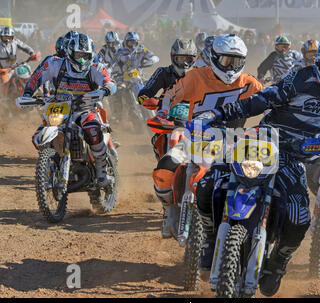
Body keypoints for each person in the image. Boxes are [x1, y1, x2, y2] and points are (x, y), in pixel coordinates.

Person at [194, 33, 320, 296]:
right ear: (319, 65)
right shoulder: (300, 79)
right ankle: (208, 235)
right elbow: (259, 101)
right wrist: (217, 113)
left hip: (297, 159)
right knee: (207, 182)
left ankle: (277, 263)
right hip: (265, 141)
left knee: (299, 216)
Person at [152, 34, 264, 239]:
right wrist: (163, 111)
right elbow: (170, 94)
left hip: (234, 141)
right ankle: (169, 210)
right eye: (225, 61)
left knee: (257, 176)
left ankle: (249, 229)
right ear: (214, 57)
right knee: (164, 170)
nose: (230, 67)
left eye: (236, 61)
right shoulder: (196, 77)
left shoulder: (249, 83)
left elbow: (269, 101)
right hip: (194, 137)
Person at [23, 33, 117, 188]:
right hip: (60, 107)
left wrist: (105, 90)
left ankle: (102, 173)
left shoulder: (95, 67)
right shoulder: (55, 63)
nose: (81, 59)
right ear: (70, 52)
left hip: (85, 109)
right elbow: (36, 77)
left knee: (93, 131)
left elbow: (109, 81)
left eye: (85, 55)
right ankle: (51, 166)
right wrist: (28, 94)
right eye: (78, 55)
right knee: (38, 137)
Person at [137, 38, 197, 160]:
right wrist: (149, 100)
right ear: (172, 57)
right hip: (168, 118)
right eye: (180, 59)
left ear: (194, 59)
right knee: (157, 140)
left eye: (188, 59)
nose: (184, 63)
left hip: (195, 118)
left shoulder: (201, 75)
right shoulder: (163, 72)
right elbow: (145, 92)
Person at [0, 26, 39, 97]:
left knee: (32, 75)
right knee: (4, 82)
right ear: (1, 37)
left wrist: (32, 53)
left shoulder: (15, 41)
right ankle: (4, 100)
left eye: (9, 37)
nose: (7, 40)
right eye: (5, 38)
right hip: (3, 70)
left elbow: (25, 47)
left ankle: (40, 92)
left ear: (12, 37)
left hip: (15, 67)